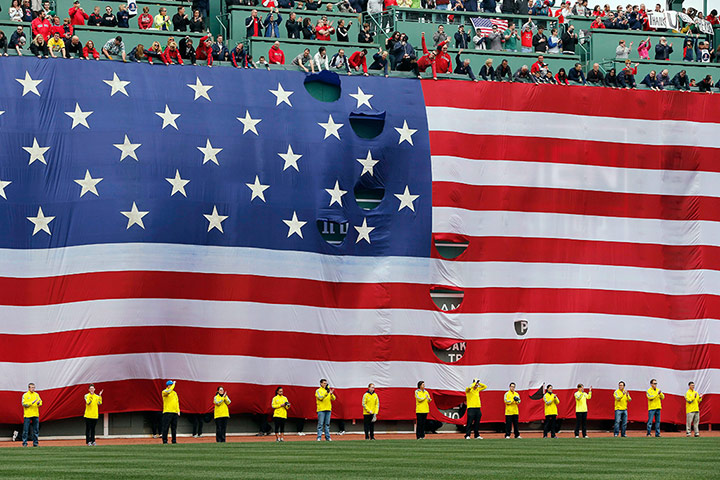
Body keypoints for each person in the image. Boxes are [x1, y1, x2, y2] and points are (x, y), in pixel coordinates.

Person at [21, 383, 42, 447]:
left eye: (34, 387)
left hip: (35, 414)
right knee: (26, 430)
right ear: (29, 388)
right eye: (32, 387)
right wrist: (31, 402)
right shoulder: (25, 395)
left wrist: (38, 403)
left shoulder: (36, 395)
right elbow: (24, 404)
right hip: (28, 415)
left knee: (36, 430)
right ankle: (24, 443)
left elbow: (40, 402)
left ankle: (35, 443)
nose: (33, 389)